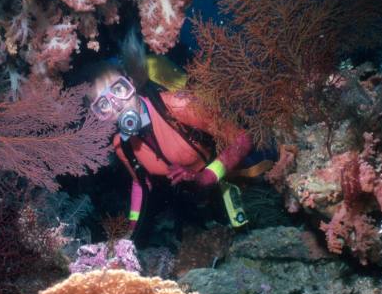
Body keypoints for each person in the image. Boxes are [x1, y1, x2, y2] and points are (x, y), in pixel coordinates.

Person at [84, 31, 272, 238]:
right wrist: (131, 233)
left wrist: (208, 176)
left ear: (132, 83)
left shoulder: (179, 105)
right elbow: (140, 183)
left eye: (118, 90)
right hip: (196, 204)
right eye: (103, 104)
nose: (117, 104)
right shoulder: (122, 146)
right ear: (100, 116)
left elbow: (242, 138)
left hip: (234, 175)